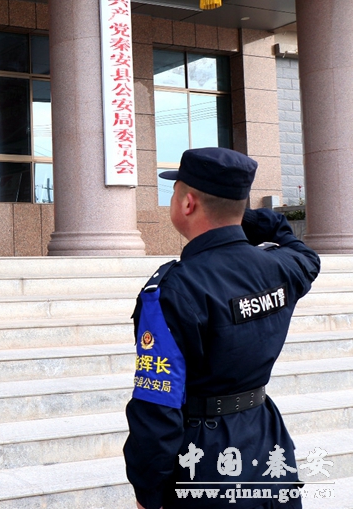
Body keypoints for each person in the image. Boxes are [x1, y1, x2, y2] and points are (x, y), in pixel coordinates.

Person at [123, 147, 320, 509]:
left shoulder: (173, 291)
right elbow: (303, 252)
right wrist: (240, 214)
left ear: (187, 203)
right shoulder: (282, 266)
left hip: (206, 458)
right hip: (267, 442)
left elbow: (157, 405)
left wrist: (148, 492)